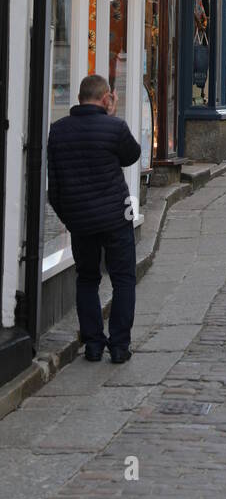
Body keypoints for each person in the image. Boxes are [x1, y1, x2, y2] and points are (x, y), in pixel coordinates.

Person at [46, 74, 142, 364]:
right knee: (123, 279)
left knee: (87, 279)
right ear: (105, 99)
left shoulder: (58, 131)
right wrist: (111, 116)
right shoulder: (114, 127)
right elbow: (132, 155)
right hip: (116, 217)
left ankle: (93, 345)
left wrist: (70, 217)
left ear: (78, 98)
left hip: (81, 222)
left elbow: (55, 187)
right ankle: (120, 346)